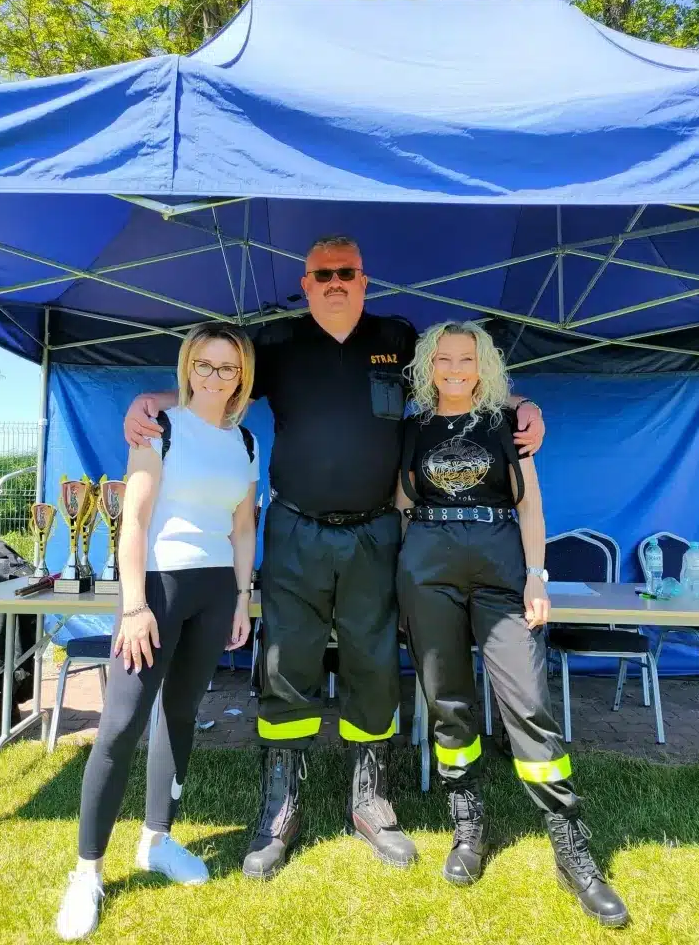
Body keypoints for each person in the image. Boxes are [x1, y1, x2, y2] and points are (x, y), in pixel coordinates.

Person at [123, 236, 546, 880]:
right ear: (307, 283)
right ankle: (280, 807)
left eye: (347, 272)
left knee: (372, 663)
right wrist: (153, 401)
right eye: (323, 275)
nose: (336, 283)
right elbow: (216, 385)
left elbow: (459, 378)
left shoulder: (397, 338)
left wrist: (523, 405)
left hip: (376, 532)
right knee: (286, 661)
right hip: (296, 529)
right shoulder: (277, 343)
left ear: (364, 279)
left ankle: (371, 802)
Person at [395, 320, 628, 928]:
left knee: (527, 704)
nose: (454, 369)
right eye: (443, 359)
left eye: (466, 359)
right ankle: (467, 827)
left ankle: (571, 846)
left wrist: (537, 575)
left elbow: (530, 504)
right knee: (447, 701)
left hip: (502, 569)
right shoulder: (411, 428)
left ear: (484, 366)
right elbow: (401, 505)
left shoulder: (508, 424)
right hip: (427, 569)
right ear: (428, 365)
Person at [56, 321, 259, 940]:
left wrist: (241, 599)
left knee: (181, 715)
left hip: (215, 591)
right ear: (188, 367)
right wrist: (134, 606)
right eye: (205, 364)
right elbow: (136, 522)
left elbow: (243, 527)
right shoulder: (159, 428)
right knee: (120, 725)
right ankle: (87, 873)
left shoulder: (247, 440)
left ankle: (157, 840)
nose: (215, 377)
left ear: (242, 376)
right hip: (158, 592)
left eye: (228, 368)